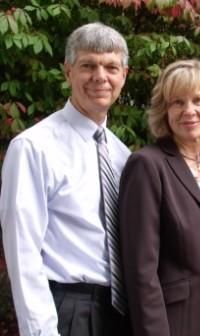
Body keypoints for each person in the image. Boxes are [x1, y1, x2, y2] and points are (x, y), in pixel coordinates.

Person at [0, 22, 130, 336]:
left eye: (111, 67)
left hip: (119, 313)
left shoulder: (122, 154)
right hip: (65, 312)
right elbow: (23, 250)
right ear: (68, 71)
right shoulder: (34, 147)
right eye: (88, 65)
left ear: (124, 76)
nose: (101, 76)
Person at [118, 59, 200, 336]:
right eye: (177, 102)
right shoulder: (147, 165)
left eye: (198, 100)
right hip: (173, 322)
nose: (189, 111)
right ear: (164, 110)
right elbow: (141, 271)